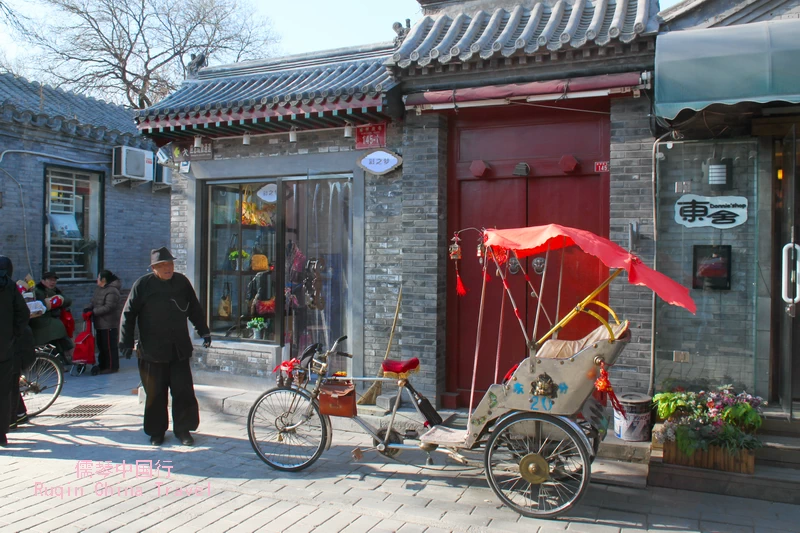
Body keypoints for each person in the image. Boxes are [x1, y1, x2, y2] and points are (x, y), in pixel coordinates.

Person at [119, 247, 211, 446]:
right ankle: (156, 431)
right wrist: (125, 342)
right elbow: (128, 314)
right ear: (154, 268)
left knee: (183, 391)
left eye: (170, 264)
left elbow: (194, 308)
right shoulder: (142, 285)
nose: (168, 268)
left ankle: (183, 429)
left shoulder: (181, 283)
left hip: (178, 347)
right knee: (155, 393)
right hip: (152, 350)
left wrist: (203, 330)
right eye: (162, 265)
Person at [0, 256, 30, 446]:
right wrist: (13, 335)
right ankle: (2, 434)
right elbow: (23, 313)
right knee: (3, 392)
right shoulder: (10, 286)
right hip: (4, 348)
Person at [30, 271, 73, 362]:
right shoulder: (38, 291)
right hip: (41, 321)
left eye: (54, 280)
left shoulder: (55, 290)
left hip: (52, 319)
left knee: (61, 335)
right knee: (58, 329)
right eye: (50, 280)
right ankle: (60, 360)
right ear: (43, 281)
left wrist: (60, 300)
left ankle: (69, 358)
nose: (53, 282)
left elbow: (67, 300)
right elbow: (41, 306)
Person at [87, 270, 122, 374]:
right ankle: (102, 365)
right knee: (101, 345)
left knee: (109, 346)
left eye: (98, 278)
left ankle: (112, 366)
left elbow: (109, 306)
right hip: (99, 323)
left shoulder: (112, 291)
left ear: (104, 279)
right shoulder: (99, 289)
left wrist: (94, 312)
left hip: (109, 323)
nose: (96, 280)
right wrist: (88, 309)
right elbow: (93, 302)